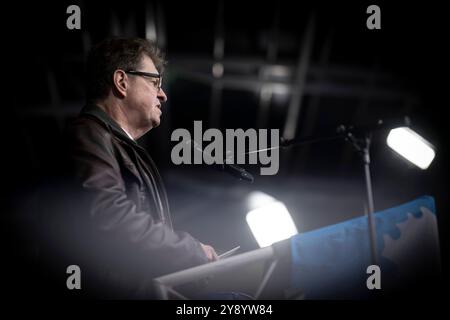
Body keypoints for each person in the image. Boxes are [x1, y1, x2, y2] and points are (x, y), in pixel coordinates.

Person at [54, 38, 218, 298]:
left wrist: (189, 269)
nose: (162, 94)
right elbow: (109, 217)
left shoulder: (113, 144)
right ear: (121, 82)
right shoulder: (87, 134)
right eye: (155, 83)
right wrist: (191, 251)